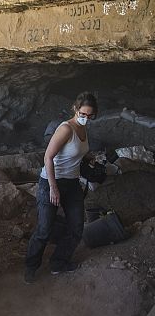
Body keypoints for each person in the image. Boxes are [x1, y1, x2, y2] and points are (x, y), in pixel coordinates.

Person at [24, 92, 98, 284]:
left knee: (76, 227)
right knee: (44, 228)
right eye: (83, 114)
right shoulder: (66, 129)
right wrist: (52, 187)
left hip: (72, 183)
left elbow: (76, 151)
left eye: (90, 116)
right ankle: (31, 267)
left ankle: (58, 263)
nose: (86, 118)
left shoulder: (83, 129)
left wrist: (88, 157)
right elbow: (48, 157)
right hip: (50, 181)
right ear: (75, 108)